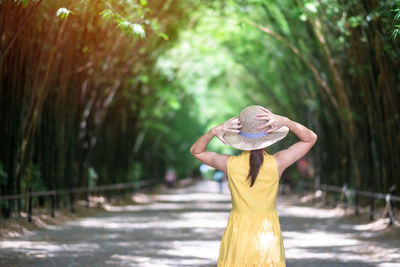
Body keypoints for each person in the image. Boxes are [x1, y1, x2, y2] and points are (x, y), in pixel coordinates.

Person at [190, 105, 317, 266]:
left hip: (238, 232)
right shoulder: (278, 162)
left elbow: (196, 151)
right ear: (269, 136)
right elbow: (310, 138)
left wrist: (213, 132)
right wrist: (286, 122)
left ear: (241, 138)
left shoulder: (229, 164)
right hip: (267, 232)